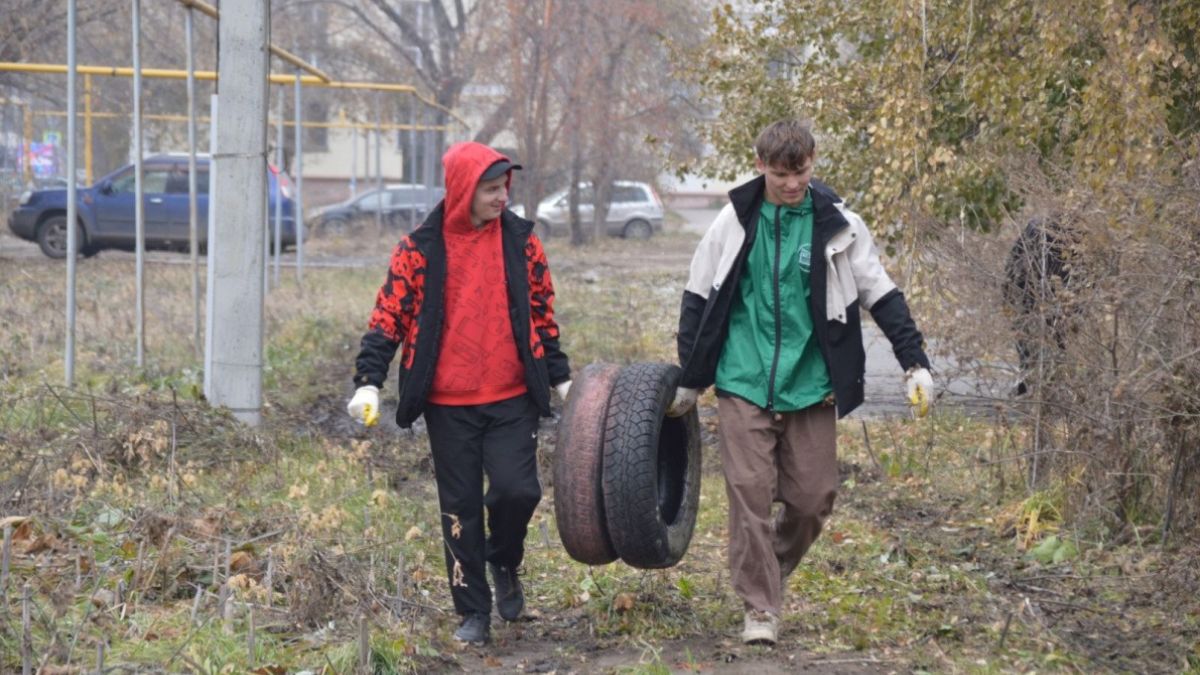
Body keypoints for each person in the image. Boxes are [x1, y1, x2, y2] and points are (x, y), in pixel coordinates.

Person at [668, 119, 933, 646]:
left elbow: (881, 293)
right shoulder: (734, 221)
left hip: (812, 382)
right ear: (760, 164)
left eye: (802, 172)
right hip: (742, 377)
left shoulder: (839, 225)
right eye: (782, 174)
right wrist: (690, 378)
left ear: (813, 162)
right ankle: (760, 608)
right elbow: (697, 296)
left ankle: (768, 568)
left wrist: (915, 361)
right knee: (749, 492)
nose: (793, 184)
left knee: (814, 499)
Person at [346, 141, 572, 646]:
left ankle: (504, 560)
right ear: (462, 190)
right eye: (490, 190)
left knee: (520, 491)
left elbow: (541, 311)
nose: (501, 198)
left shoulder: (520, 241)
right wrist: (368, 380)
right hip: (449, 406)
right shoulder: (420, 249)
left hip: (512, 396)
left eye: (504, 188)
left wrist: (560, 376)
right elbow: (389, 317)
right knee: (460, 509)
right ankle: (473, 611)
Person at [1002, 216, 1073, 396]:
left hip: (1043, 290)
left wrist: (1008, 292)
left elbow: (1012, 264)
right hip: (1034, 287)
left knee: (1032, 330)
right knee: (1050, 333)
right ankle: (1036, 374)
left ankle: (1036, 375)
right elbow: (1013, 263)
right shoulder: (1038, 227)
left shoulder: (1038, 227)